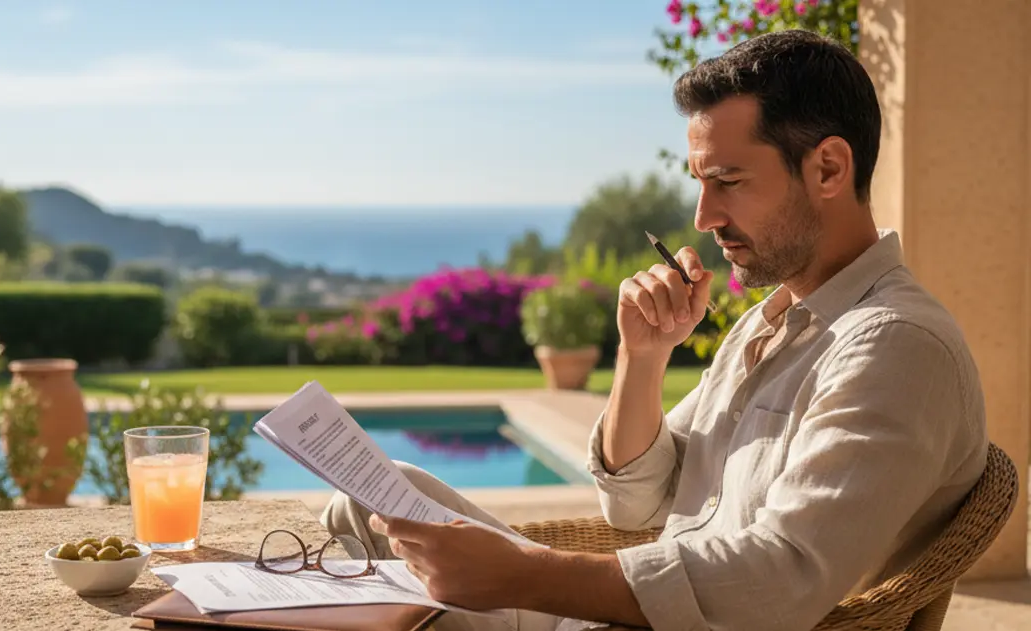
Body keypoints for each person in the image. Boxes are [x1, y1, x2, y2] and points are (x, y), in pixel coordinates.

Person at [321, 29, 988, 631]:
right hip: (600, 614)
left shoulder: (894, 345)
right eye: (701, 183)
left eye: (728, 181)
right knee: (369, 501)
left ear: (829, 169)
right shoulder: (774, 321)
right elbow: (636, 504)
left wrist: (520, 574)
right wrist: (643, 357)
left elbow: (780, 579)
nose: (703, 216)